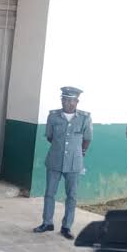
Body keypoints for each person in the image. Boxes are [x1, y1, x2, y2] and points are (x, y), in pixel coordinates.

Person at [34, 86, 92, 240]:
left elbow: (87, 139)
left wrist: (79, 152)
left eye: (71, 100)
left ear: (77, 102)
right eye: (64, 99)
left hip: (74, 163)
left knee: (71, 195)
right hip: (55, 160)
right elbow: (50, 136)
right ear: (61, 100)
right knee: (49, 193)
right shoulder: (53, 116)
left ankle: (66, 227)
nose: (67, 103)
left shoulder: (84, 118)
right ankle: (47, 223)